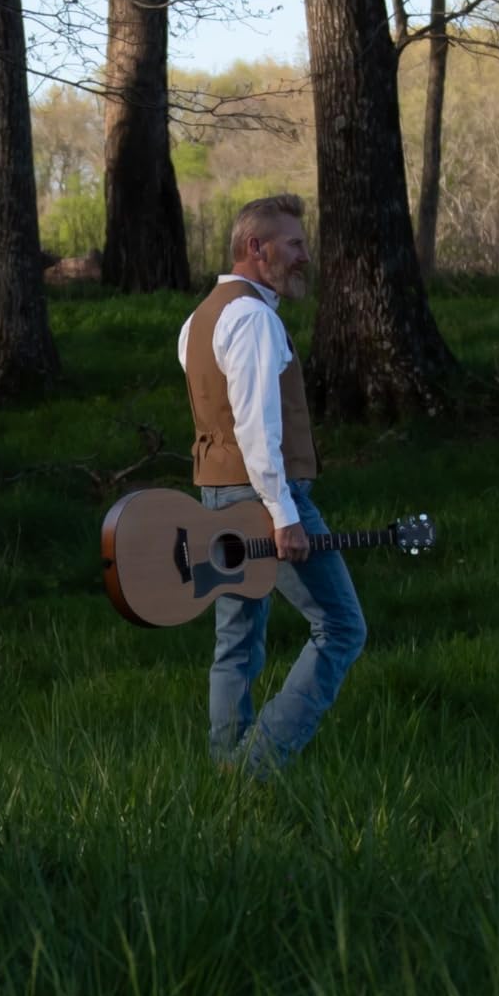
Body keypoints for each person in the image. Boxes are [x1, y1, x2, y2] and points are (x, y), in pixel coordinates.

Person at [178, 194, 366, 773]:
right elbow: (256, 424)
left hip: (215, 494)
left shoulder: (199, 317)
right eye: (294, 244)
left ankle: (224, 763)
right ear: (256, 248)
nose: (304, 255)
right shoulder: (256, 318)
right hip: (262, 498)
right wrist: (283, 513)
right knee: (340, 626)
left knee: (235, 638)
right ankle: (257, 764)